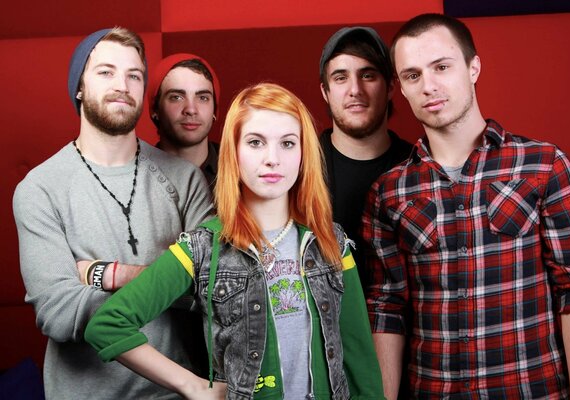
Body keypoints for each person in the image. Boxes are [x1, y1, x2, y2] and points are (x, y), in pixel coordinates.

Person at [84, 82, 385, 400]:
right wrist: (192, 385)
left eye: (287, 143)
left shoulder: (330, 241)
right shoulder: (203, 248)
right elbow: (108, 325)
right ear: (234, 152)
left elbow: (362, 366)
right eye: (255, 142)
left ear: (303, 154)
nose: (272, 159)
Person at [363, 13, 570, 399]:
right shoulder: (389, 192)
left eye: (441, 67)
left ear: (473, 67)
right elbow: (387, 309)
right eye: (413, 75)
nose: (429, 86)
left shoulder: (544, 165)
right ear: (401, 88)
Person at [12, 27, 213, 399]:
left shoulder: (184, 180)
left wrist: (107, 274)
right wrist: (166, 281)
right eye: (106, 72)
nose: (122, 85)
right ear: (79, 87)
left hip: (177, 394)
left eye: (134, 75)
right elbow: (59, 311)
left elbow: (211, 288)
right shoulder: (39, 188)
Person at [319, 26, 412, 287]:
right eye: (340, 78)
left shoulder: (419, 167)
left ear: (391, 86)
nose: (355, 89)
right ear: (325, 92)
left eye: (368, 75)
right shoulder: (298, 169)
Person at [148, 53, 221, 188]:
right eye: (176, 97)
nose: (191, 109)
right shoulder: (135, 176)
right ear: (155, 110)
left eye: (203, 98)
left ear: (214, 111)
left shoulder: (241, 170)